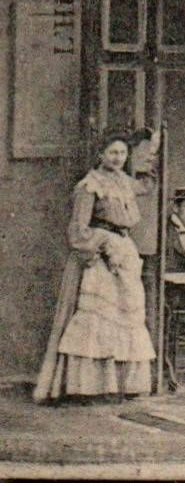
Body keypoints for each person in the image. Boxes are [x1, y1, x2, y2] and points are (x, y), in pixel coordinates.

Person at [34, 129, 158, 403]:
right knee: (98, 315)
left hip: (124, 253)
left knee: (127, 314)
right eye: (112, 152)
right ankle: (88, 387)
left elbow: (145, 186)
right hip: (100, 255)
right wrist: (101, 248)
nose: (117, 158)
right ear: (100, 154)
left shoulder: (124, 181)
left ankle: (119, 384)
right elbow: (78, 229)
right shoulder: (90, 185)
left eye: (122, 153)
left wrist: (150, 152)